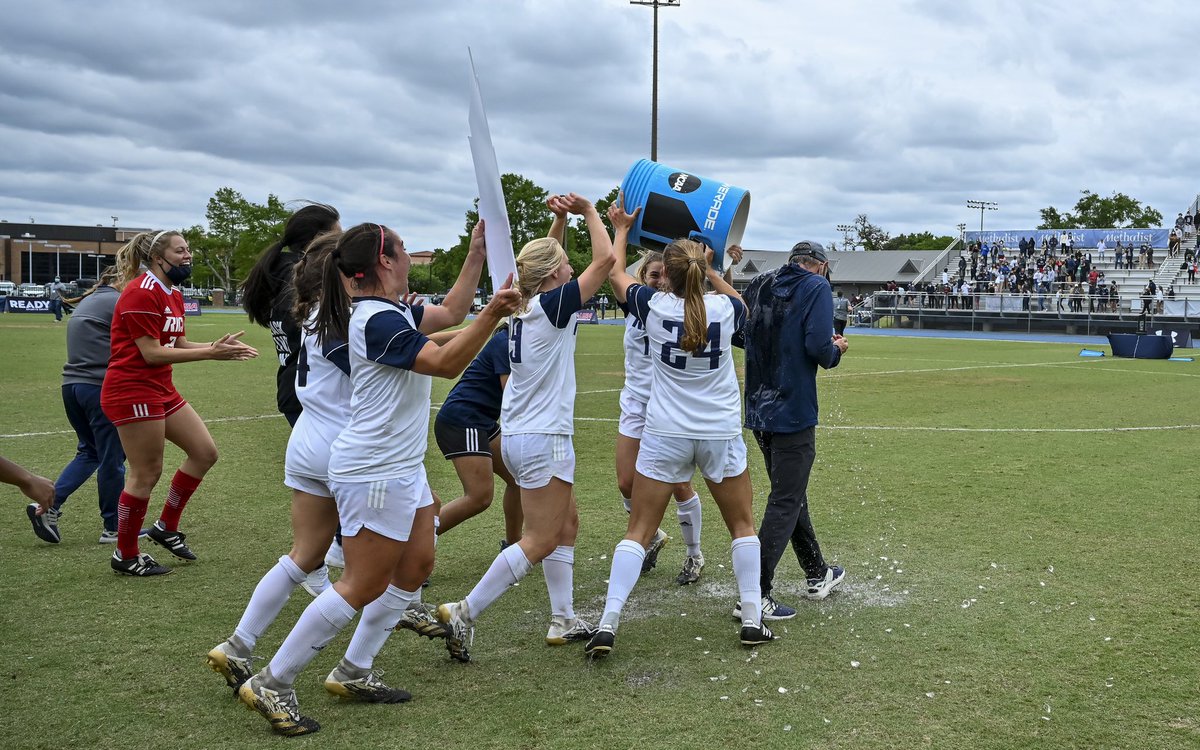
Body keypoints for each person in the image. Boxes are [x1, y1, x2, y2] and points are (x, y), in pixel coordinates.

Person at [237, 221, 521, 736]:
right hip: (373, 467)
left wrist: (479, 263)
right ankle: (273, 680)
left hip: (399, 464)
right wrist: (493, 314)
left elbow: (445, 328)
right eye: (405, 250)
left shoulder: (384, 312)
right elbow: (443, 362)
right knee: (361, 582)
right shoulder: (373, 317)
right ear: (386, 262)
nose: (410, 256)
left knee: (416, 564)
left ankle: (354, 669)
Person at [585, 200, 773, 659]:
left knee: (639, 530)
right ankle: (752, 617)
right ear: (700, 269)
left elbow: (613, 274)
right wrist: (709, 271)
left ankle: (608, 623)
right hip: (718, 432)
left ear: (664, 273)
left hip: (665, 431)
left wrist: (622, 228)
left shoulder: (653, 306)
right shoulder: (726, 310)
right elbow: (739, 302)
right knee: (742, 525)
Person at [436, 193, 614, 662]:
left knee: (567, 524)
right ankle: (464, 611)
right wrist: (590, 213)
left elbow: (541, 268)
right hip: (542, 437)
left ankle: (563, 618)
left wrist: (558, 223)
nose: (572, 270)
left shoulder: (527, 306)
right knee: (538, 539)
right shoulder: (552, 307)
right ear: (554, 276)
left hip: (518, 434)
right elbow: (607, 259)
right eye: (564, 266)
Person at [207, 231, 347, 693]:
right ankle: (344, 668)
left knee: (303, 555)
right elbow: (424, 357)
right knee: (383, 568)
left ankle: (238, 644)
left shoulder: (308, 311)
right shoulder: (350, 319)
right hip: (343, 447)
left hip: (307, 439)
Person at [102, 230, 259, 576]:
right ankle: (125, 554)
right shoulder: (141, 292)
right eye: (180, 250)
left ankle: (165, 527)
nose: (188, 256)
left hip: (159, 389)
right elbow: (152, 352)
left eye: (189, 249)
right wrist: (211, 355)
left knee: (204, 452)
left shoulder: (172, 292)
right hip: (132, 391)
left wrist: (216, 346)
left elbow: (178, 343)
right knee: (146, 473)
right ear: (158, 257)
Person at [740, 241, 848, 622]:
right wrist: (837, 349)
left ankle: (817, 572)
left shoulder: (759, 282)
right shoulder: (816, 287)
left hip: (758, 404)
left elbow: (741, 335)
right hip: (793, 407)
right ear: (819, 266)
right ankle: (756, 593)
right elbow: (819, 348)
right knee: (786, 498)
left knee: (790, 492)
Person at [241, 203, 345, 579]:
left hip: (299, 387)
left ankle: (334, 552)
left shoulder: (286, 271)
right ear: (319, 238)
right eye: (337, 230)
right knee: (337, 480)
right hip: (309, 390)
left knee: (335, 481)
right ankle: (322, 561)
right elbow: (317, 334)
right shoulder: (296, 277)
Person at [611, 238, 707, 586]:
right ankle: (650, 536)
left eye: (666, 274)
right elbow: (614, 271)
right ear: (643, 275)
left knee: (679, 485)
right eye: (654, 274)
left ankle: (694, 554)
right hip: (636, 402)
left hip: (668, 404)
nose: (661, 279)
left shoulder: (678, 307)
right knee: (626, 481)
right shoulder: (636, 304)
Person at [28, 268, 129, 545]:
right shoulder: (119, 301)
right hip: (99, 387)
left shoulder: (91, 299)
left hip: (72, 386)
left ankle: (48, 507)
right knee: (112, 458)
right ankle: (114, 528)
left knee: (90, 452)